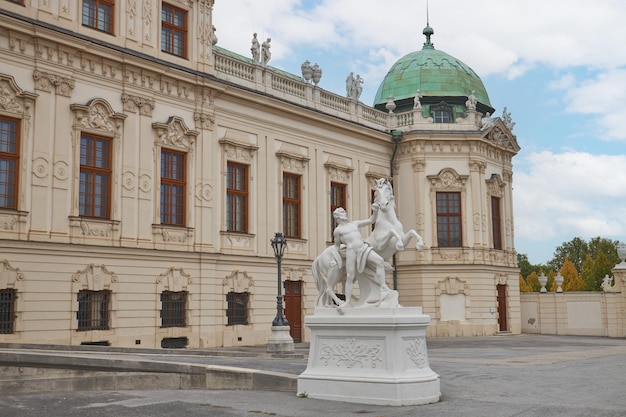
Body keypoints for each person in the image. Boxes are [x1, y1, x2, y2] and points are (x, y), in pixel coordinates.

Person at [332, 205, 385, 308]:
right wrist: (336, 259)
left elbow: (371, 220)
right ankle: (347, 302)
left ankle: (383, 288)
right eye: (342, 212)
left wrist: (375, 211)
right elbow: (336, 246)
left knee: (380, 261)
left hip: (363, 248)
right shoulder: (338, 231)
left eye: (344, 212)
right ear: (338, 217)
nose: (345, 213)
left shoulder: (354, 224)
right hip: (351, 252)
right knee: (349, 276)